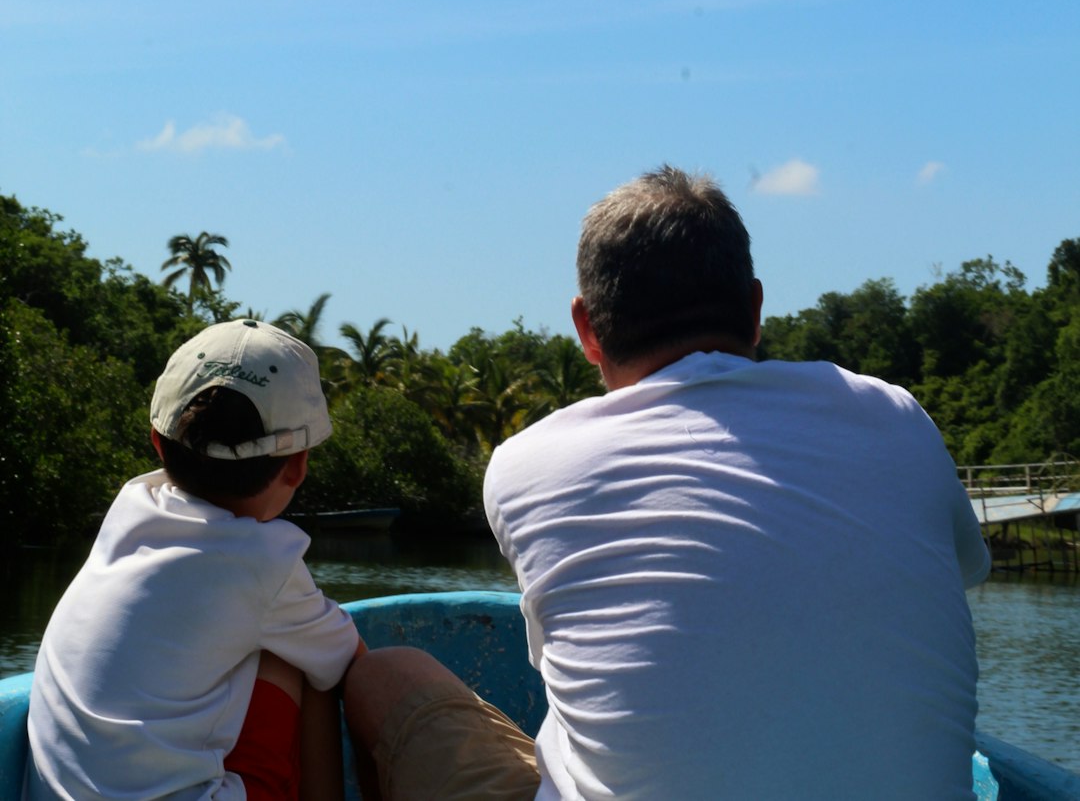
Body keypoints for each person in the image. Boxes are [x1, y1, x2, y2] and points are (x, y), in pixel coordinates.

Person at [345, 165, 990, 801]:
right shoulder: (897, 418)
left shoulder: (526, 466)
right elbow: (964, 570)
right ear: (756, 308)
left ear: (587, 329)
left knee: (385, 675)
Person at [25, 318, 364, 801]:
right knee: (304, 661)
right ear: (298, 465)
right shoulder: (265, 564)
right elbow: (350, 661)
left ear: (158, 442)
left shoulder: (130, 508)